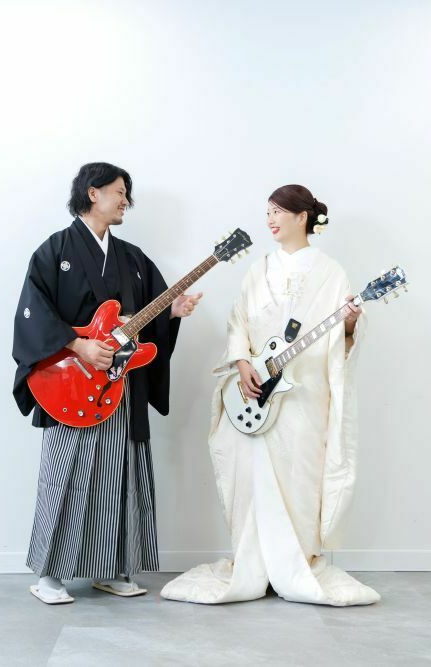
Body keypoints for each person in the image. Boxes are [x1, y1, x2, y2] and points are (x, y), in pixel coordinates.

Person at [161, 184, 379, 607]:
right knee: (252, 478)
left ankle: (294, 563)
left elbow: (343, 335)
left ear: (302, 217)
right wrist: (242, 361)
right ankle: (255, 564)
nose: (270, 220)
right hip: (257, 390)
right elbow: (238, 320)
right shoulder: (258, 269)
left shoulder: (331, 272)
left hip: (305, 393)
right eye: (268, 212)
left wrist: (351, 322)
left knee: (300, 476)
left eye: (278, 211)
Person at [13, 162, 201, 604]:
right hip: (70, 383)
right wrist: (78, 346)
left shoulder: (132, 258)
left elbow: (146, 322)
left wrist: (172, 313)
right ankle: (49, 575)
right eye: (119, 192)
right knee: (67, 476)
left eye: (126, 195)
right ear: (92, 192)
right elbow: (33, 312)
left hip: (120, 385)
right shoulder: (54, 250)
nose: (125, 202)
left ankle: (113, 568)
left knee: (122, 476)